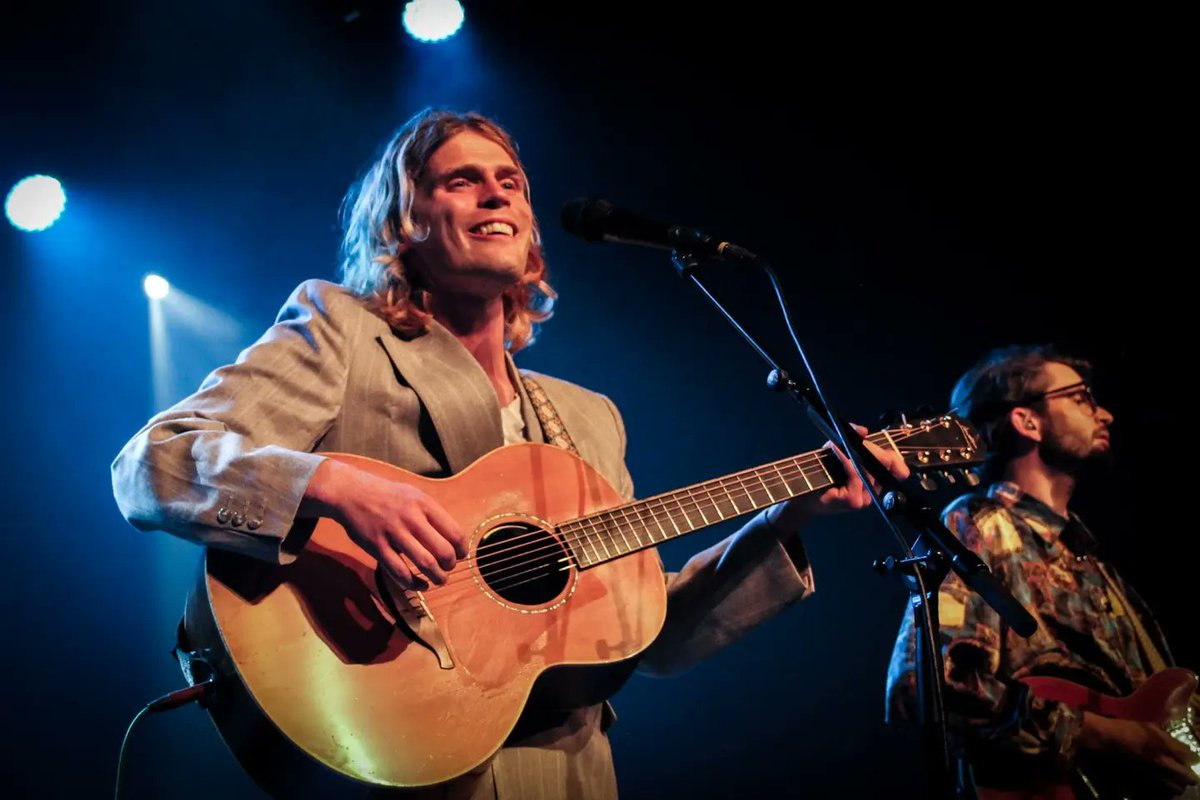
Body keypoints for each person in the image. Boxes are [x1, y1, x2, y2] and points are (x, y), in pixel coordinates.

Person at [112, 108, 908, 799]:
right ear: (403, 221)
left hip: (571, 776)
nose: (497, 192)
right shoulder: (341, 331)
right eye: (461, 180)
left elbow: (647, 635)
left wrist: (787, 517)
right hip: (403, 759)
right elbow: (152, 464)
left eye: (511, 181)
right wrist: (336, 483)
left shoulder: (589, 418)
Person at [885, 345, 1198, 798]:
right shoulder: (980, 525)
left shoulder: (1089, 555)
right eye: (1081, 398)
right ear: (1027, 421)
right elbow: (921, 684)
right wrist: (1095, 735)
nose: (1105, 413)